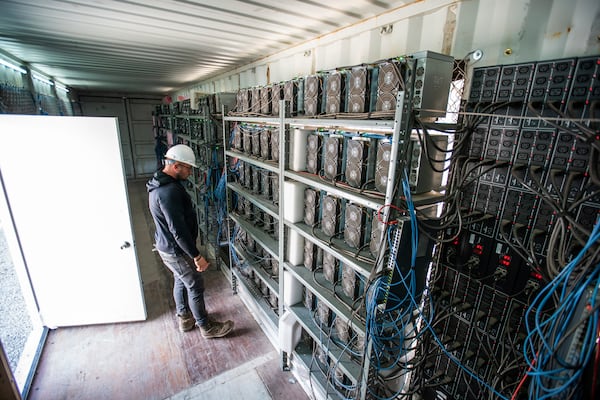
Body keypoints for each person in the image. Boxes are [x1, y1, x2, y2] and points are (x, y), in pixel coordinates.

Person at [147, 144, 234, 338]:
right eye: (187, 168)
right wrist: (196, 256)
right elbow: (177, 231)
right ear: (176, 166)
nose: (190, 172)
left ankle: (185, 318)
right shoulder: (168, 192)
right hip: (174, 249)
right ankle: (206, 327)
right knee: (195, 284)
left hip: (168, 246)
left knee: (180, 279)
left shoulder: (159, 184)